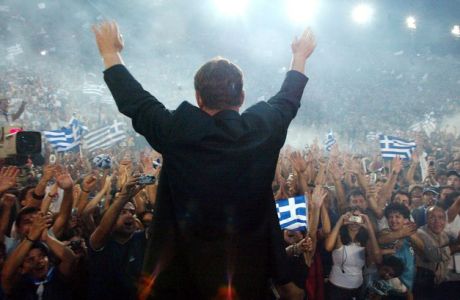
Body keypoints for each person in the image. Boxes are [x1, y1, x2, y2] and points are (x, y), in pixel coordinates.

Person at [92, 21, 316, 299]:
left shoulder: (177, 132)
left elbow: (137, 103)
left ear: (198, 98)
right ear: (242, 97)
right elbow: (287, 100)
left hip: (181, 282)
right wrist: (300, 56)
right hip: (246, 281)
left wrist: (110, 54)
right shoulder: (263, 130)